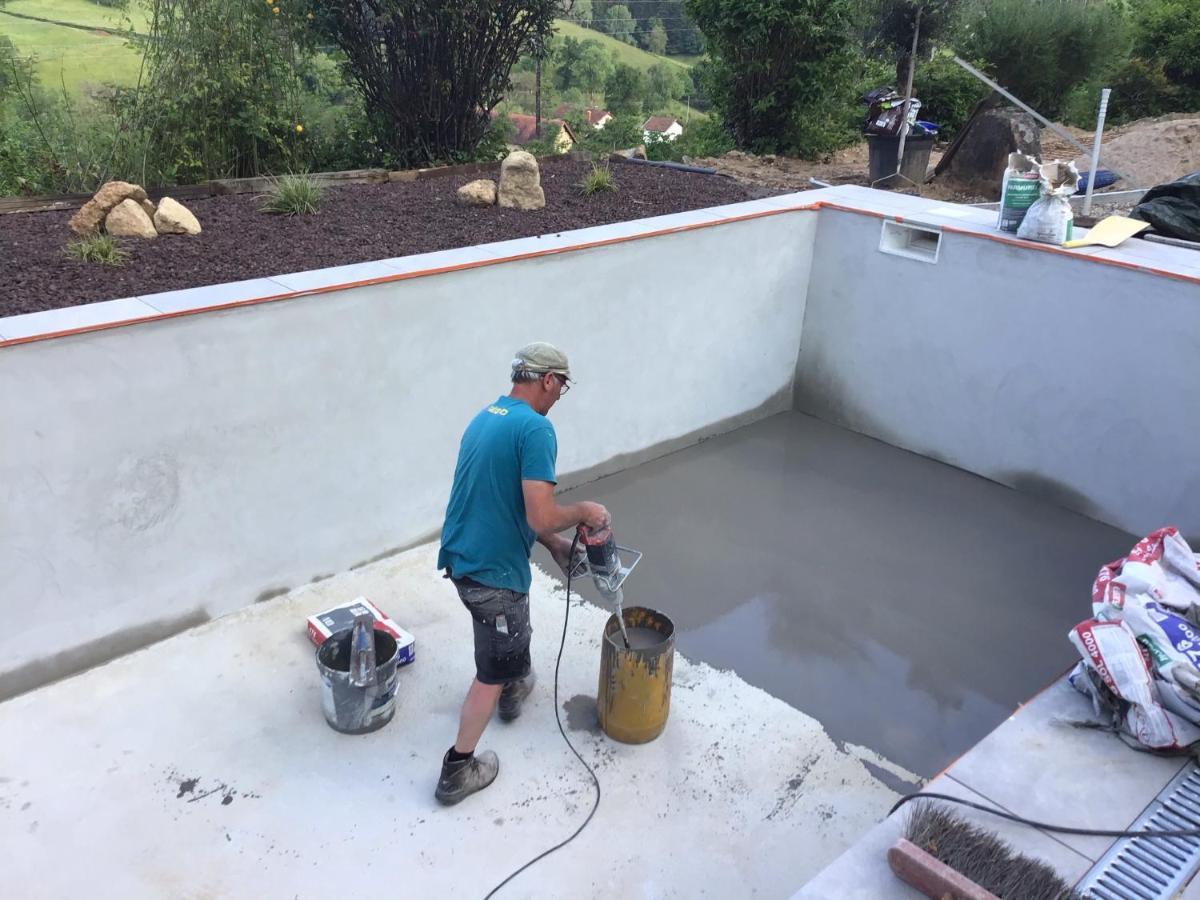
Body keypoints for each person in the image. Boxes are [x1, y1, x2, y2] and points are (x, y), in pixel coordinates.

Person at [435, 342, 609, 806]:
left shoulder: (488, 416)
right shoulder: (536, 429)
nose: (559, 396)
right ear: (548, 379)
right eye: (561, 386)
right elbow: (541, 514)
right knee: (491, 667)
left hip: (462, 554)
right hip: (490, 574)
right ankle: (458, 769)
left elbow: (501, 500)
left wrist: (552, 544)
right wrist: (584, 512)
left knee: (510, 635)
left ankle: (513, 686)